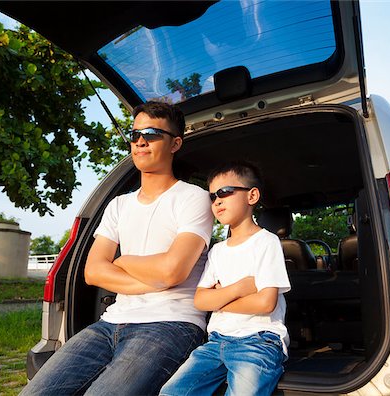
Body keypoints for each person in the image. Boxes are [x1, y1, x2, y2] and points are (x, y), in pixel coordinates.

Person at [20, 101, 214, 396]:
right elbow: (93, 272)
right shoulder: (118, 205)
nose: (139, 141)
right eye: (134, 133)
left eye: (151, 133)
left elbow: (173, 271)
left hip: (171, 324)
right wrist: (154, 279)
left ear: (175, 143)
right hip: (109, 323)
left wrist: (123, 261)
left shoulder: (194, 198)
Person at [160, 161, 291, 396]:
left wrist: (219, 299)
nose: (217, 201)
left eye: (225, 192)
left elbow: (265, 303)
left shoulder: (266, 242)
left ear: (251, 196)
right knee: (171, 392)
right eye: (212, 197)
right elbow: (200, 301)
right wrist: (241, 287)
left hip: (258, 341)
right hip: (215, 342)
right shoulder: (217, 250)